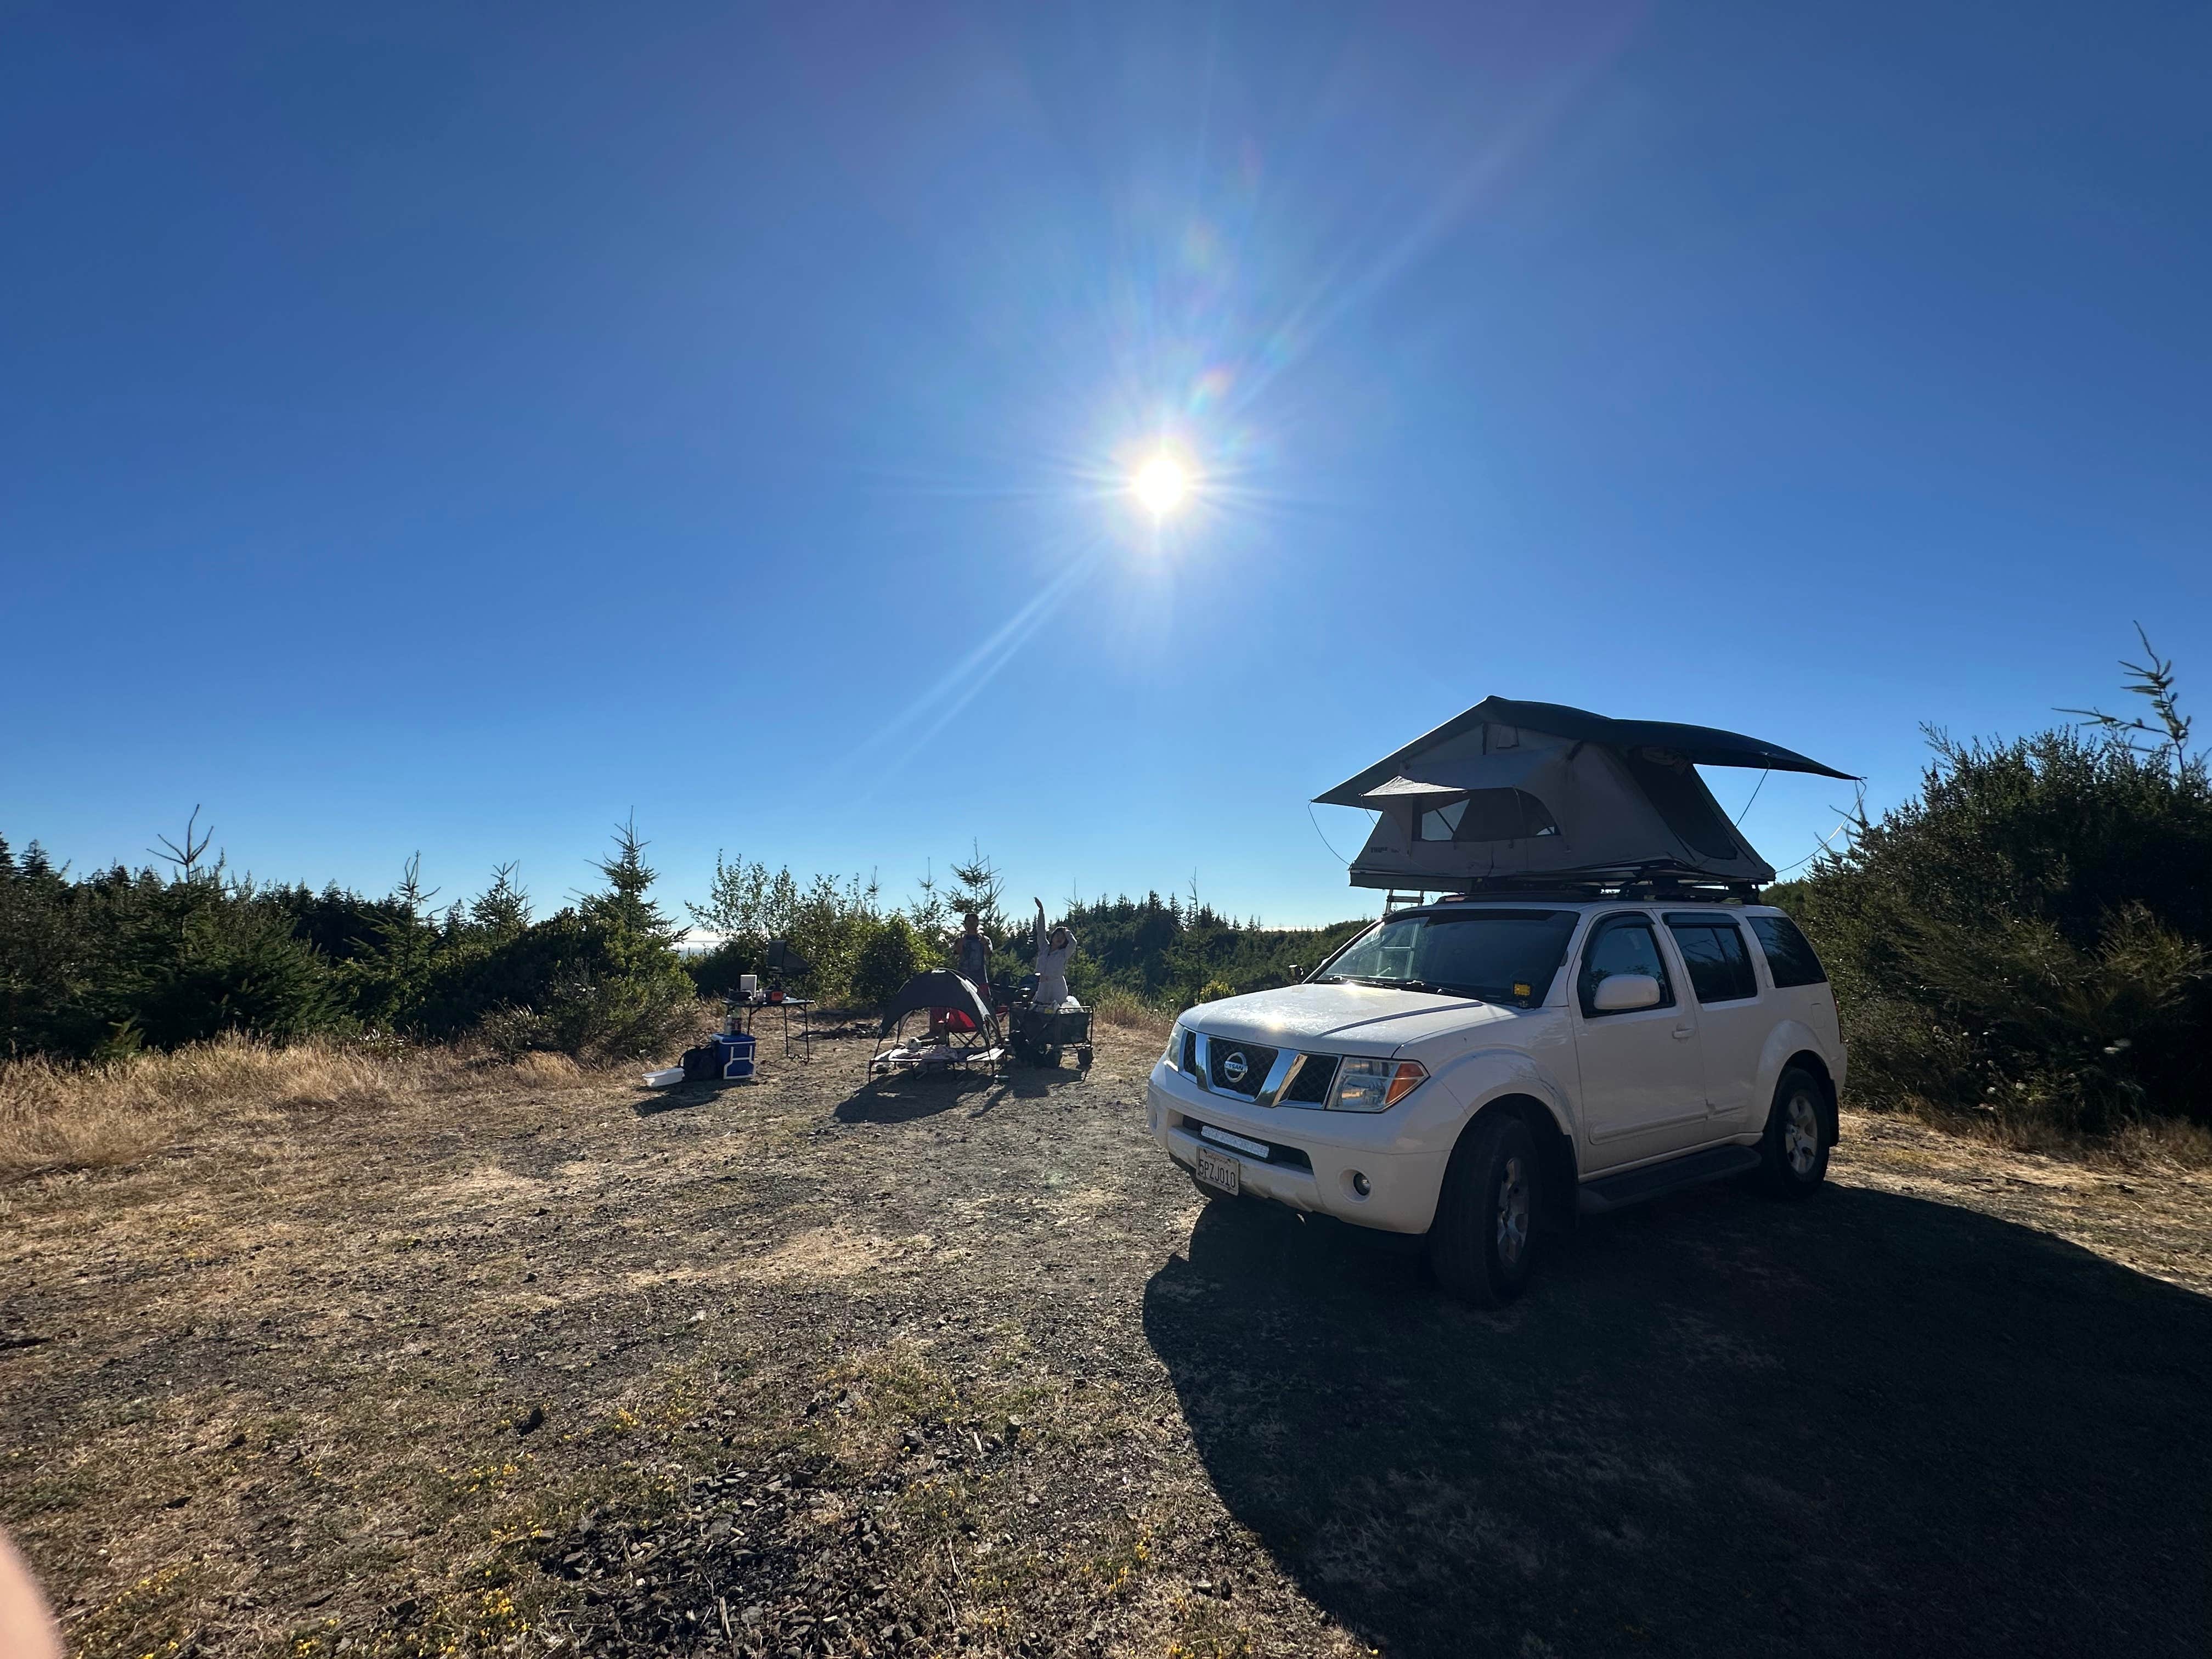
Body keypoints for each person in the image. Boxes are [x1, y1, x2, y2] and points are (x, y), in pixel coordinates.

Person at [1031, 898, 1079, 1008]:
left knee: (1057, 1012)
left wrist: (1067, 932)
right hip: (1043, 986)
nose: (1059, 939)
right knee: (1041, 1011)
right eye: (1058, 935)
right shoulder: (1044, 947)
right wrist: (1041, 911)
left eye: (1062, 938)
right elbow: (1041, 932)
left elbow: (1073, 944)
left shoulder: (1063, 954)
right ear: (1053, 936)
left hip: (1057, 987)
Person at [949, 911, 993, 992]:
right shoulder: (960, 939)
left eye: (974, 921)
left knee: (984, 1000)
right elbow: (957, 953)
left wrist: (985, 944)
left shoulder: (985, 939)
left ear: (978, 923)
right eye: (969, 921)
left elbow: (989, 954)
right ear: (965, 924)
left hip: (981, 978)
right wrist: (960, 944)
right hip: (963, 976)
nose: (972, 923)